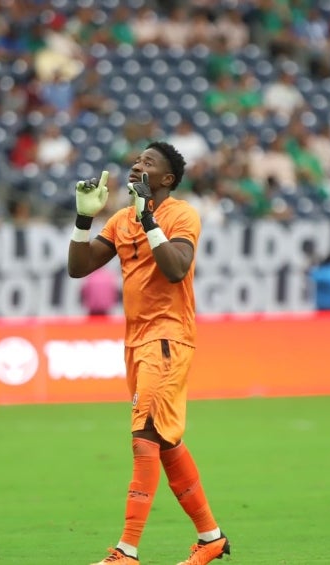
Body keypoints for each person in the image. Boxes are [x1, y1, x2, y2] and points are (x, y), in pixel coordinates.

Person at [68, 142, 230, 565]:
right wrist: (85, 217)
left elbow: (176, 268)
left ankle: (127, 550)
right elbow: (79, 266)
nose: (137, 164)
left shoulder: (181, 214)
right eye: (137, 159)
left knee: (144, 438)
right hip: (136, 341)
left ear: (166, 180)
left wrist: (148, 217)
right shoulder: (121, 220)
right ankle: (211, 538)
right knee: (166, 441)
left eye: (148, 162)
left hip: (167, 337)